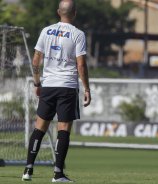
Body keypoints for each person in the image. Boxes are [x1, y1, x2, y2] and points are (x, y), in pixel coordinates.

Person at [22, 0, 91, 182]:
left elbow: (36, 59)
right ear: (74, 13)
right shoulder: (78, 34)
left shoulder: (46, 31)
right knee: (64, 129)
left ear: (58, 12)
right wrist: (87, 88)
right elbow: (81, 64)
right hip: (67, 86)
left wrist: (37, 84)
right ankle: (58, 174)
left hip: (49, 85)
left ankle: (28, 170)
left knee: (39, 127)